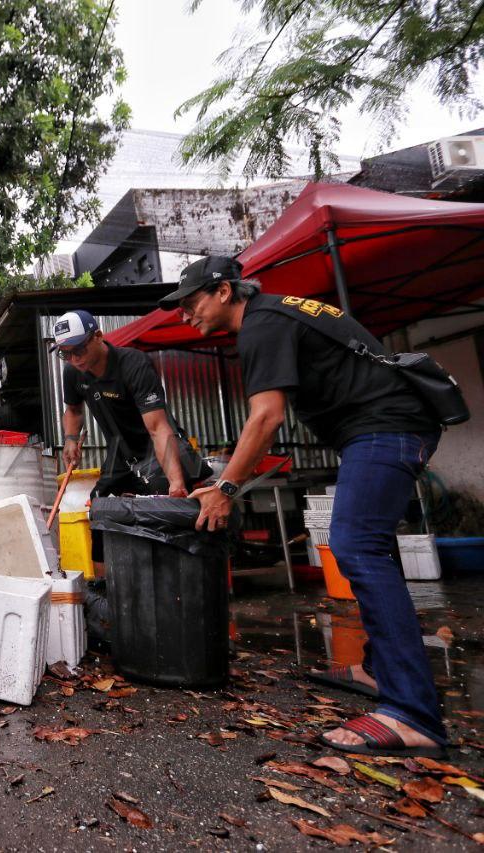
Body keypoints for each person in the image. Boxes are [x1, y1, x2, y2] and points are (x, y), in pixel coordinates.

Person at [162, 255, 447, 759]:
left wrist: (226, 488)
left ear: (224, 292)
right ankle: (377, 670)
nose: (186, 316)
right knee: (366, 545)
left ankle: (411, 713)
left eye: (191, 303)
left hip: (387, 427)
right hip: (387, 425)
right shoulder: (277, 313)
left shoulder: (261, 325)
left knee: (357, 546)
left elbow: (267, 416)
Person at [55, 309, 209, 573]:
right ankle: (105, 591)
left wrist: (175, 482)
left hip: (156, 450)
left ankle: (179, 583)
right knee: (99, 509)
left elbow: (159, 428)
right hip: (120, 453)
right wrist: (70, 439)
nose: (73, 359)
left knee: (165, 516)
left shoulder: (133, 364)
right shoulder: (73, 372)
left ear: (98, 337)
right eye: (64, 354)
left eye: (77, 349)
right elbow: (74, 409)